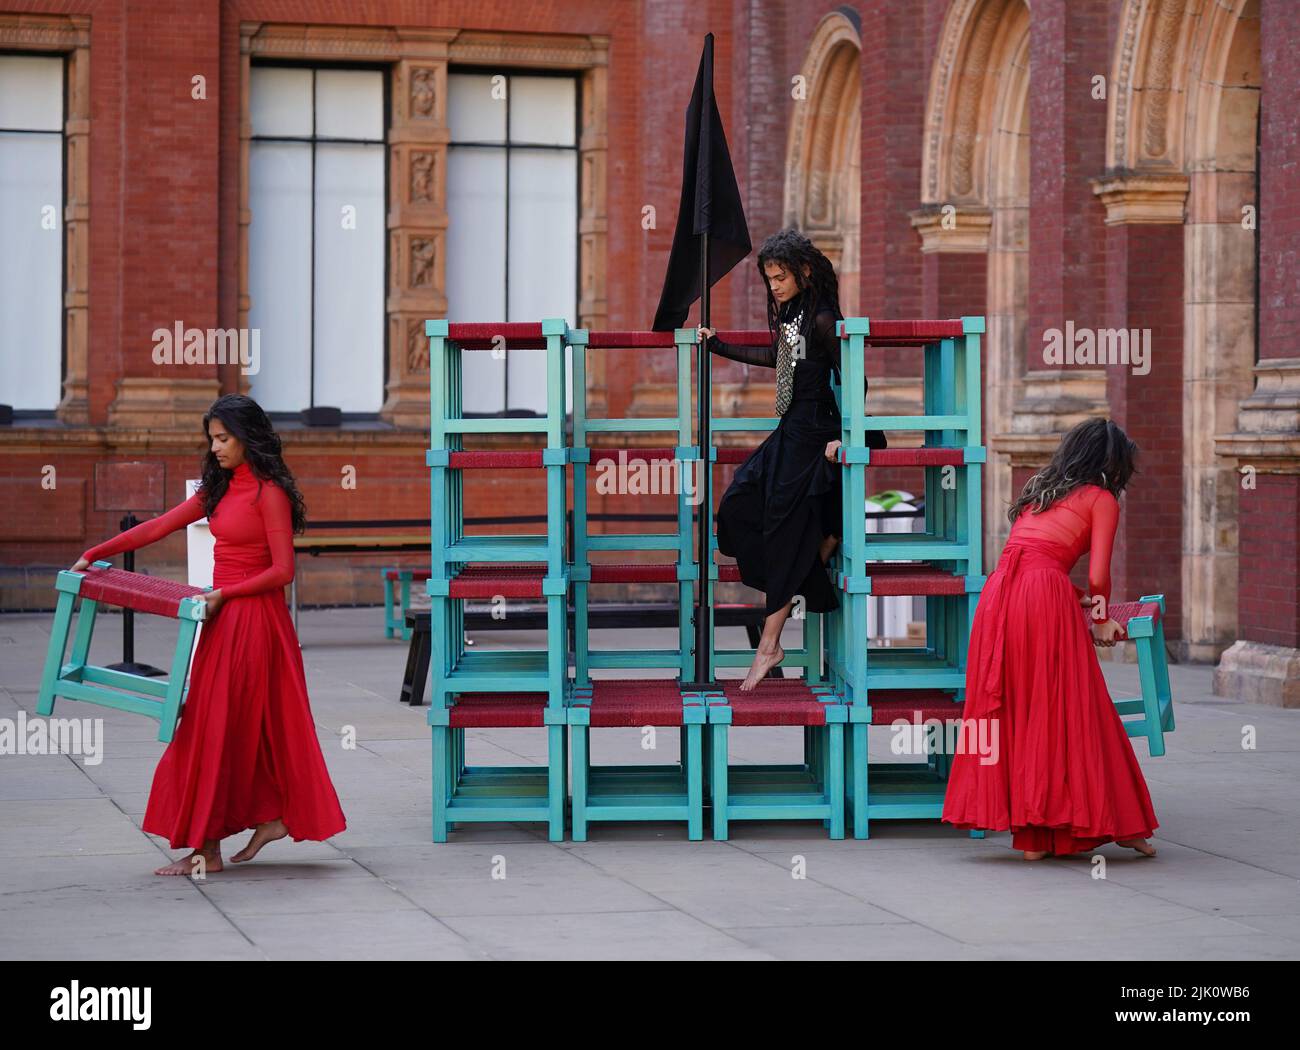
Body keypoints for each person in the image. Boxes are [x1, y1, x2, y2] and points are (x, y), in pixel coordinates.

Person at [72, 394, 346, 875]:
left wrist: (226, 594)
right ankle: (265, 819)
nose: (216, 448)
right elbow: (157, 527)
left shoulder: (270, 494)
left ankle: (211, 847)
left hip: (256, 623)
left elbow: (283, 572)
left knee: (219, 727)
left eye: (223, 438)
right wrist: (96, 552)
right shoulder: (218, 490)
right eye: (212, 440)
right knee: (223, 726)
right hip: (223, 619)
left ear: (248, 437)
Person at [941, 417, 1158, 859]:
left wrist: (1075, 598)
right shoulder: (1100, 499)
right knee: (1074, 706)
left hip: (1000, 594)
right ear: (1112, 464)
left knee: (1017, 707)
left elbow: (1030, 557)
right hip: (1040, 596)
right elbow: (1098, 573)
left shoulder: (1040, 490)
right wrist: (1100, 618)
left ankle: (1033, 835)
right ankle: (1117, 825)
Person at [698, 228, 887, 690]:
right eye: (769, 279)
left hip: (817, 432)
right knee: (739, 503)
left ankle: (770, 643)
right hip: (792, 430)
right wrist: (719, 345)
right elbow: (781, 359)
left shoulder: (822, 316)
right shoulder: (793, 312)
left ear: (803, 271)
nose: (774, 286)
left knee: (785, 528)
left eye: (780, 277)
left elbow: (853, 375)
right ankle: (814, 557)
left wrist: (846, 436)